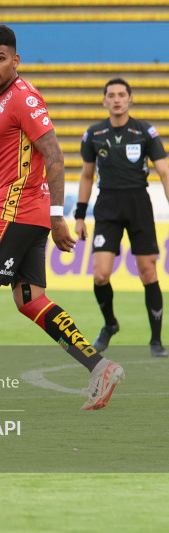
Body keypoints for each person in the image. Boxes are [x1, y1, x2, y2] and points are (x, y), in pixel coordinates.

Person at [0, 25, 124, 410]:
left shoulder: (22, 99)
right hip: (26, 214)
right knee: (30, 299)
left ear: (16, 60)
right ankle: (100, 367)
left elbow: (55, 154)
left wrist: (59, 216)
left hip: (10, 212)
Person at [75, 78, 169, 358]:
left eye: (121, 95)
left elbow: (164, 171)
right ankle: (110, 324)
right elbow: (87, 176)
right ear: (104, 101)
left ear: (130, 99)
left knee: (148, 272)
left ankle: (155, 341)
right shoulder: (94, 134)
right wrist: (79, 216)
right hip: (108, 205)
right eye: (111, 95)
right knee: (101, 274)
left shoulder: (145, 132)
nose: (116, 99)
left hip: (138, 203)